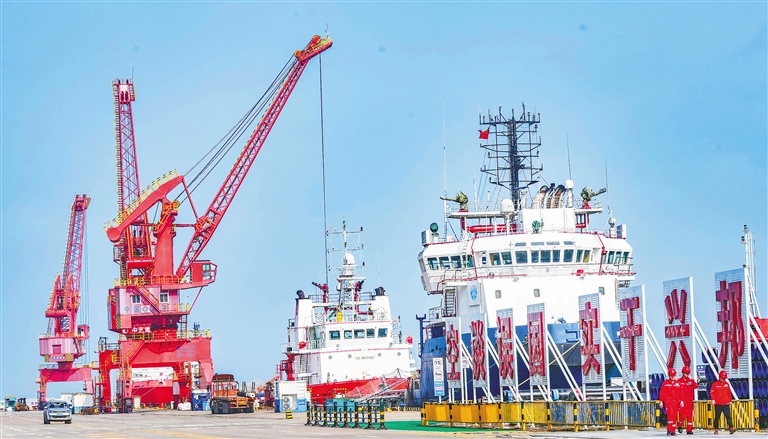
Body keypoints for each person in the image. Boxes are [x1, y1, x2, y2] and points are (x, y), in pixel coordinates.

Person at [710, 370, 735, 435]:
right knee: (717, 417)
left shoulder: (727, 384)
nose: (723, 379)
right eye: (722, 378)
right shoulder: (715, 384)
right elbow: (712, 393)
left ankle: (731, 428)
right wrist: (713, 400)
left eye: (724, 378)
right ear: (720, 377)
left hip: (726, 403)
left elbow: (729, 393)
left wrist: (730, 400)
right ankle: (716, 429)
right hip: (718, 404)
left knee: (728, 416)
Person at [659, 368, 683, 436]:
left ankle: (673, 431)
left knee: (674, 417)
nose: (672, 377)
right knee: (670, 416)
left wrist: (681, 401)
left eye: (673, 375)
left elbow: (681, 393)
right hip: (668, 403)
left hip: (676, 403)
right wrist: (661, 401)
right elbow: (662, 393)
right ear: (669, 375)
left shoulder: (678, 384)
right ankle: (669, 430)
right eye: (671, 375)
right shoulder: (665, 384)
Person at [677, 365, 698, 434]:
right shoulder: (679, 381)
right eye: (686, 373)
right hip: (682, 401)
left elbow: (696, 386)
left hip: (689, 401)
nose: (687, 374)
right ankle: (680, 424)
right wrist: (680, 400)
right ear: (683, 373)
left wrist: (697, 381)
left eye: (688, 373)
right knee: (683, 415)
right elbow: (677, 391)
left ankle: (689, 430)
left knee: (689, 416)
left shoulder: (691, 381)